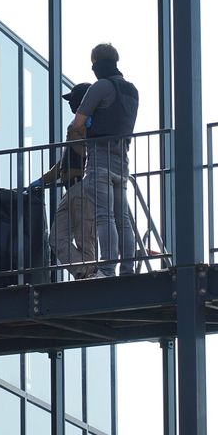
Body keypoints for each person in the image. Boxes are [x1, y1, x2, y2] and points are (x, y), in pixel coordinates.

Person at [67, 43, 140, 277]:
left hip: (99, 159)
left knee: (104, 216)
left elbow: (77, 123)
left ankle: (108, 269)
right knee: (123, 219)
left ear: (97, 63)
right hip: (122, 161)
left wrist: (80, 132)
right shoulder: (132, 91)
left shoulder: (101, 86)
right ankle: (127, 270)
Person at [40, 83, 92, 275]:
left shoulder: (92, 122)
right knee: (56, 238)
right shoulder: (78, 124)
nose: (70, 103)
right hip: (70, 189)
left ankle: (89, 277)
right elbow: (63, 163)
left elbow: (88, 151)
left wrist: (75, 134)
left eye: (73, 99)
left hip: (84, 186)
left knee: (85, 240)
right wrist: (41, 181)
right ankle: (86, 272)